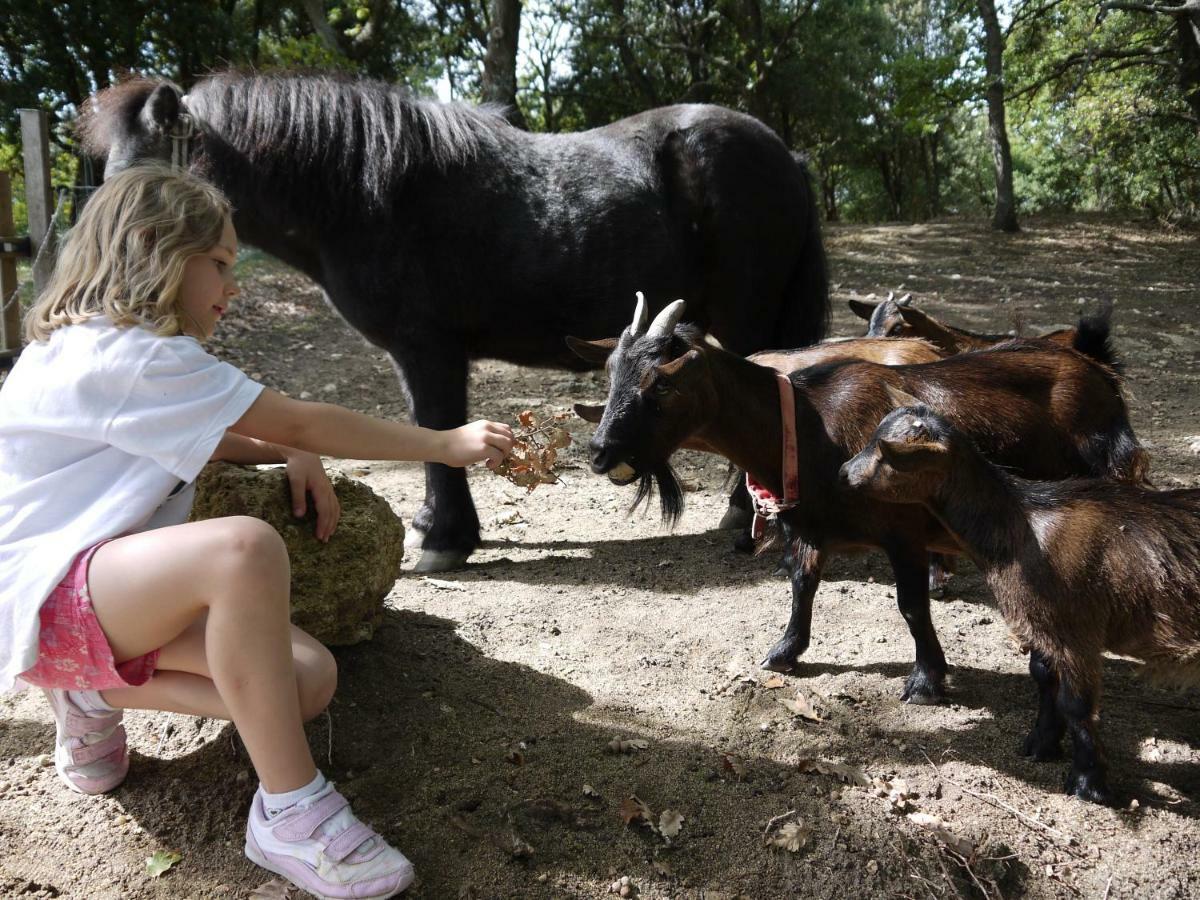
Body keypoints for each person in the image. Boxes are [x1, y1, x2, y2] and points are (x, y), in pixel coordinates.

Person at [0, 162, 513, 900]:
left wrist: (288, 450)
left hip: (78, 612)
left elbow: (225, 432)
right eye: (219, 263)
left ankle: (90, 697)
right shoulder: (128, 353)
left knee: (303, 681)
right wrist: (442, 443)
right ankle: (291, 810)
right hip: (50, 601)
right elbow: (296, 416)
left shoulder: (94, 347)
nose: (230, 287)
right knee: (241, 549)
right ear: (154, 247)